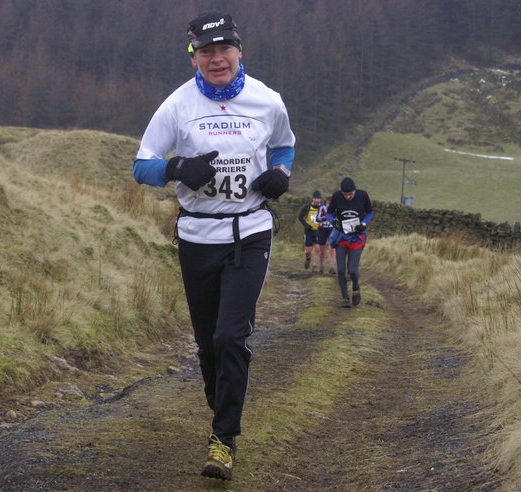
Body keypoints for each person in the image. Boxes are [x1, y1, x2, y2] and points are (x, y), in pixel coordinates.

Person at [132, 10, 295, 481]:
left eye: (225, 48)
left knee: (230, 336)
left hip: (250, 232)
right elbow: (141, 166)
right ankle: (221, 402)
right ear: (194, 58)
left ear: (239, 51)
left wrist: (280, 174)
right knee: (207, 345)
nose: (217, 58)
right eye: (207, 51)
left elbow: (284, 146)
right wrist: (176, 168)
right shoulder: (176, 106)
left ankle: (224, 438)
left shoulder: (267, 100)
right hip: (197, 236)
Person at [327, 177, 373, 308]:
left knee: (352, 270)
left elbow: (370, 212)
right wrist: (334, 222)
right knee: (341, 270)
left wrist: (363, 224)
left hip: (357, 237)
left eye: (350, 194)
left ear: (355, 191)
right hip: (341, 237)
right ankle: (345, 298)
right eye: (345, 194)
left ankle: (356, 289)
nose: (347, 197)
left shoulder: (362, 195)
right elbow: (329, 214)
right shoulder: (336, 196)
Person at [298, 190, 322, 271]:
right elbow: (300, 217)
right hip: (309, 231)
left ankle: (315, 266)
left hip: (319, 231)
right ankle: (308, 259)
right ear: (312, 198)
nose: (316, 200)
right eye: (315, 198)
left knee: (318, 248)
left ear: (320, 199)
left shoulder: (322, 208)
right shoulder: (307, 207)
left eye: (318, 198)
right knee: (308, 251)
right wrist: (306, 225)